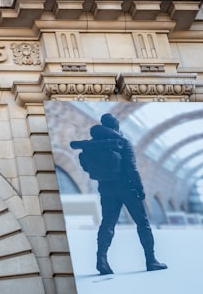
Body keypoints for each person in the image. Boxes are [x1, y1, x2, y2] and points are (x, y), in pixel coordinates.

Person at [71, 112, 167, 275]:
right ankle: (151, 261)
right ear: (115, 126)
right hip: (126, 187)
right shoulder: (122, 142)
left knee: (107, 223)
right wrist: (140, 189)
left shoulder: (91, 144)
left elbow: (86, 167)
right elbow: (131, 168)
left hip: (106, 188)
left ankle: (101, 261)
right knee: (142, 224)